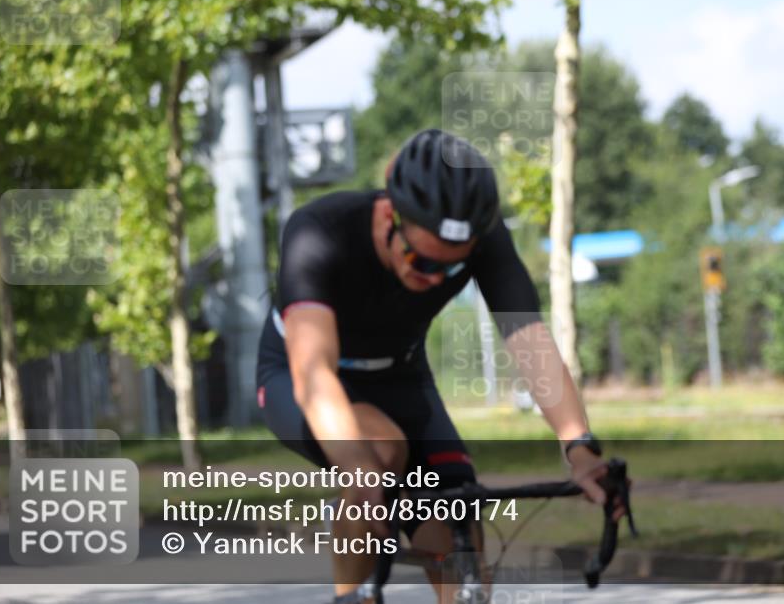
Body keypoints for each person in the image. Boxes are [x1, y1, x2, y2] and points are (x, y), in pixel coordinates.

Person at [256, 129, 617, 604]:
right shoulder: (321, 233)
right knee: (377, 455)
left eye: (447, 269)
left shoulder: (483, 238)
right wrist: (356, 469)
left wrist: (580, 448)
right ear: (390, 213)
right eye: (418, 258)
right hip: (303, 376)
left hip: (402, 377)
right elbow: (315, 373)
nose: (429, 278)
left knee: (454, 521)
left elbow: (529, 340)